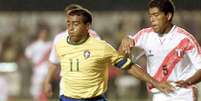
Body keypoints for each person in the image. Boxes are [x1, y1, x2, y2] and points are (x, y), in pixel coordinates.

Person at [44, 7, 174, 101]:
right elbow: (53, 64)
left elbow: (127, 66)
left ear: (87, 26)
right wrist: (47, 81)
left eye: (76, 24)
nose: (70, 28)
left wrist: (155, 82)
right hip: (68, 98)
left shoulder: (100, 46)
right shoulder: (60, 44)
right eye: (68, 24)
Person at [119, 0, 201, 101]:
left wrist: (187, 83)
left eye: (156, 15)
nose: (152, 19)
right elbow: (122, 60)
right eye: (150, 16)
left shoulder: (185, 38)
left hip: (184, 94)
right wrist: (125, 41)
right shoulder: (145, 35)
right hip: (159, 95)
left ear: (168, 16)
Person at [25, 27, 52, 101]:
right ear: (39, 34)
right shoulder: (34, 45)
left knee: (45, 85)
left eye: (45, 33)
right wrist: (34, 63)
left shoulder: (50, 44)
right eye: (42, 33)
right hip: (37, 69)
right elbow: (28, 55)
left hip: (46, 68)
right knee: (36, 88)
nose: (44, 35)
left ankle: (44, 98)